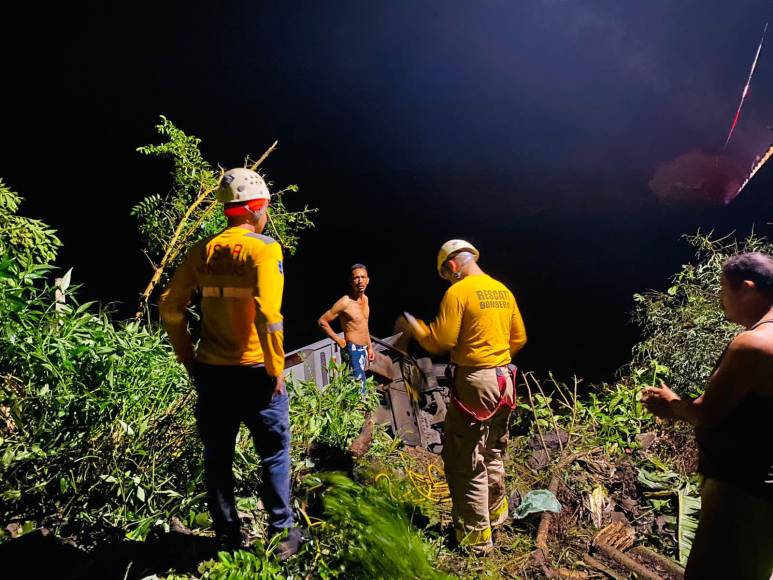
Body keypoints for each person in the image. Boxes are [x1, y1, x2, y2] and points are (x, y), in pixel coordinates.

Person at [159, 167, 301, 558]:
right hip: (256, 371)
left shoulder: (202, 250)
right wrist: (275, 369)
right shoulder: (265, 249)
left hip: (211, 372)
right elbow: (270, 313)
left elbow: (170, 306)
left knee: (217, 456)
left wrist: (187, 356)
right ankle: (282, 535)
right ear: (257, 208)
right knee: (272, 452)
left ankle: (226, 538)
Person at [641, 252, 773, 579]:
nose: (720, 298)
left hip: (743, 486)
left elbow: (708, 413)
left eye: (723, 289)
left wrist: (671, 404)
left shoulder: (753, 345)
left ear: (746, 287)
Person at [399, 239, 527, 554]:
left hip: (478, 382)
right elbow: (519, 338)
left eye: (446, 273)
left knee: (465, 461)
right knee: (494, 451)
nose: (448, 278)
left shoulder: (459, 292)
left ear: (452, 265)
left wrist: (414, 328)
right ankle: (498, 516)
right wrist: (494, 358)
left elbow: (439, 341)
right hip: (505, 379)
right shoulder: (503, 291)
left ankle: (476, 544)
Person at [318, 264, 375, 392]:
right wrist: (339, 340)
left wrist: (370, 347)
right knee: (360, 390)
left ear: (368, 280)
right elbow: (322, 321)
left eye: (363, 277)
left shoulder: (366, 299)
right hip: (352, 350)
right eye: (356, 278)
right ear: (351, 281)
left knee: (361, 388)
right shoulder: (345, 302)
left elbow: (364, 325)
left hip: (364, 350)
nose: (360, 280)